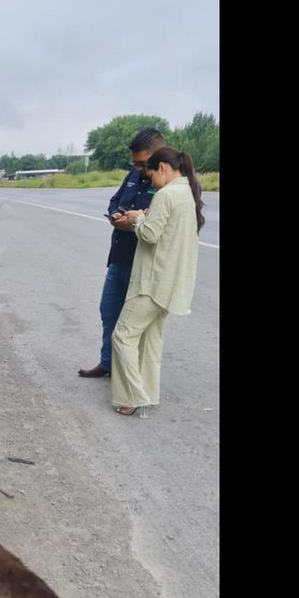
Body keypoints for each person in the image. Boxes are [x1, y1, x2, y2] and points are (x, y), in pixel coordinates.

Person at [109, 146, 205, 416]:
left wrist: (139, 219)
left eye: (151, 176)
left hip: (152, 281)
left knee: (123, 336)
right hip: (171, 283)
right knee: (150, 341)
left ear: (162, 167)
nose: (150, 182)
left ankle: (133, 395)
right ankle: (147, 394)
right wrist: (144, 215)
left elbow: (150, 235)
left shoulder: (166, 194)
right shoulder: (188, 193)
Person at [77, 127, 166, 379]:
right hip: (119, 258)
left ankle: (134, 376)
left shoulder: (170, 182)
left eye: (141, 163)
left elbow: (168, 218)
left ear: (158, 156)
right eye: (134, 163)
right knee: (109, 312)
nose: (137, 168)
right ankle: (108, 363)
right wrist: (117, 214)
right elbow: (115, 200)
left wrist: (137, 219)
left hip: (144, 265)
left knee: (135, 326)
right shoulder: (133, 174)